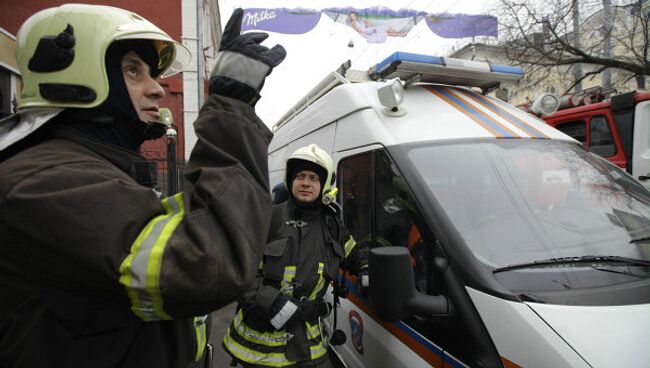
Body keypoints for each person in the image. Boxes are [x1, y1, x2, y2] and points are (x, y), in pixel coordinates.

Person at [0, 5, 285, 367]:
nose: (157, 89)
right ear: (81, 74)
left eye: (152, 73)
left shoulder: (79, 168)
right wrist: (230, 110)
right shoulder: (45, 180)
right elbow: (208, 263)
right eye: (133, 71)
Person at [223, 143, 368, 367]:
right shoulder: (268, 219)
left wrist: (368, 268)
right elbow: (237, 271)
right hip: (258, 345)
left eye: (313, 178)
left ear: (324, 184)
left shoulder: (333, 226)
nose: (306, 183)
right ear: (291, 180)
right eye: (300, 176)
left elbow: (355, 253)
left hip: (308, 342)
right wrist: (273, 303)